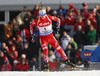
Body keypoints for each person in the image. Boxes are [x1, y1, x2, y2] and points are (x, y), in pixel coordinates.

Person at [30, 7, 75, 71]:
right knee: (45, 51)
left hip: (50, 37)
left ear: (45, 13)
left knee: (58, 48)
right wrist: (32, 35)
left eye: (43, 15)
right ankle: (46, 65)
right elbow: (31, 25)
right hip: (43, 39)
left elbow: (58, 20)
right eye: (41, 15)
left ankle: (67, 60)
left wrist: (58, 28)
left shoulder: (49, 17)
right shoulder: (38, 19)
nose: (42, 17)